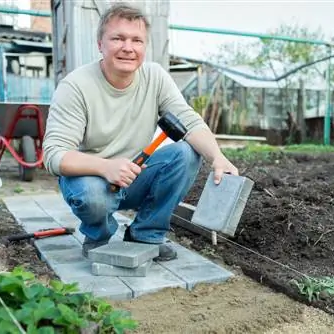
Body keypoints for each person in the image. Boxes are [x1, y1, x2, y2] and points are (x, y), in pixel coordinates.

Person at [42, 3, 238, 261]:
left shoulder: (155, 77)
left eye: (137, 40)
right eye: (118, 38)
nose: (128, 47)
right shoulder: (76, 86)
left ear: (145, 47)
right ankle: (98, 235)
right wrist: (105, 167)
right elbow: (54, 155)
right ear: (100, 44)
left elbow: (188, 121)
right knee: (92, 196)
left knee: (186, 153)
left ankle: (145, 234)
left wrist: (218, 157)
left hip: (136, 175)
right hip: (91, 180)